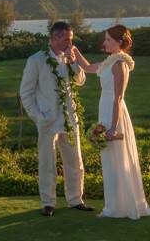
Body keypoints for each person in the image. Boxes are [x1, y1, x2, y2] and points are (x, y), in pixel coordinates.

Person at [73, 25, 150, 219]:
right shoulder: (110, 61)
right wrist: (75, 51)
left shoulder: (120, 64)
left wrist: (112, 127)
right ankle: (114, 206)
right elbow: (88, 68)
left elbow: (118, 98)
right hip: (105, 110)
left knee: (117, 159)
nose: (104, 43)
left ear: (119, 42)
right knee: (109, 161)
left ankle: (117, 208)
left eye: (108, 40)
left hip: (114, 114)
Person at [19, 21, 94, 217]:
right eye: (67, 39)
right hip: (47, 121)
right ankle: (48, 202)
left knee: (75, 161)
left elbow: (81, 81)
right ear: (55, 38)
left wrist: (73, 63)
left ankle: (76, 199)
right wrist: (38, 117)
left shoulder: (71, 56)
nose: (71, 43)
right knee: (47, 163)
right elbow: (25, 93)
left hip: (70, 119)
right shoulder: (36, 60)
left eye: (71, 39)